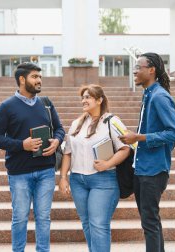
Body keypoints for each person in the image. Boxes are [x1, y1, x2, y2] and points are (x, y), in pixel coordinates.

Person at [0, 62, 65, 252]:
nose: (39, 80)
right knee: (20, 217)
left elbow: (60, 129)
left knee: (43, 217)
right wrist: (22, 145)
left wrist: (56, 141)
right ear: (22, 80)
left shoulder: (46, 103)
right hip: (19, 173)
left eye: (40, 77)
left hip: (46, 171)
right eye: (34, 77)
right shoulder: (7, 107)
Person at [119, 52, 175, 252]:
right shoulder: (148, 95)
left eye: (139, 67)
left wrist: (139, 138)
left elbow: (174, 133)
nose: (135, 71)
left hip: (152, 172)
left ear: (152, 69)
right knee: (150, 222)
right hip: (142, 168)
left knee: (150, 223)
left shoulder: (159, 97)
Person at [58, 84, 131, 252]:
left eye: (88, 97)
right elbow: (68, 153)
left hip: (103, 180)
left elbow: (125, 148)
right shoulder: (76, 123)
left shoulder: (111, 121)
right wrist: (63, 177)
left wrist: (108, 163)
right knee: (87, 223)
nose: (84, 100)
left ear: (99, 100)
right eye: (82, 97)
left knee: (98, 223)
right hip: (78, 180)